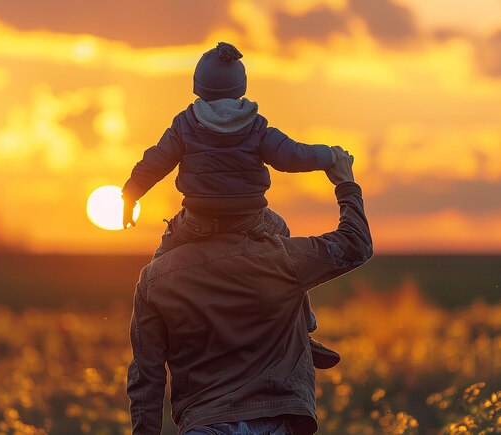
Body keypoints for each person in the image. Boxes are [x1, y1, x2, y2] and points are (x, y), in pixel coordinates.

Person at [122, 42, 341, 369]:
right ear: (241, 86)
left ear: (198, 86)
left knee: (160, 263)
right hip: (251, 221)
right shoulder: (255, 125)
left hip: (197, 221)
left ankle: (155, 328)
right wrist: (330, 155)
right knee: (284, 243)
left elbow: (155, 161)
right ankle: (303, 327)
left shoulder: (186, 123)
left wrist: (130, 195)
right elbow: (292, 155)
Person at [127, 147, 373, 434]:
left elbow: (147, 377)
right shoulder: (282, 257)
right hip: (278, 421)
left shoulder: (156, 279)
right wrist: (346, 184)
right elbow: (356, 244)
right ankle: (308, 334)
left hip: (204, 424)